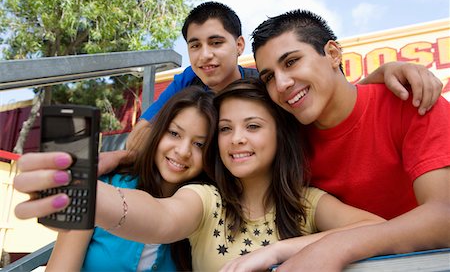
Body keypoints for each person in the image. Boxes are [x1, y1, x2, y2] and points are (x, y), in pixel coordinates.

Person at [14, 78, 385, 271]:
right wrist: (86, 189)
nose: (237, 139)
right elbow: (158, 216)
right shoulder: (205, 200)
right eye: (225, 129)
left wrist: (280, 251)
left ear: (279, 135)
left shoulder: (307, 203)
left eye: (253, 126)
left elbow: (379, 230)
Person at [240, 9, 450, 270]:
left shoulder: (411, 100)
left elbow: (445, 216)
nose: (281, 84)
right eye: (269, 77)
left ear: (332, 54)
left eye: (291, 61)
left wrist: (338, 245)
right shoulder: (287, 142)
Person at [122, 1, 442, 162]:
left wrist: (387, 72)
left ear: (238, 46)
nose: (205, 55)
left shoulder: (264, 86)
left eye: (216, 42)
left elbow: (337, 93)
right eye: (195, 45)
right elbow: (137, 141)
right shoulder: (188, 82)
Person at [43, 86, 217, 271]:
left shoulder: (206, 210)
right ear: (158, 132)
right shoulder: (104, 185)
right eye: (174, 133)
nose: (183, 151)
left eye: (199, 144)